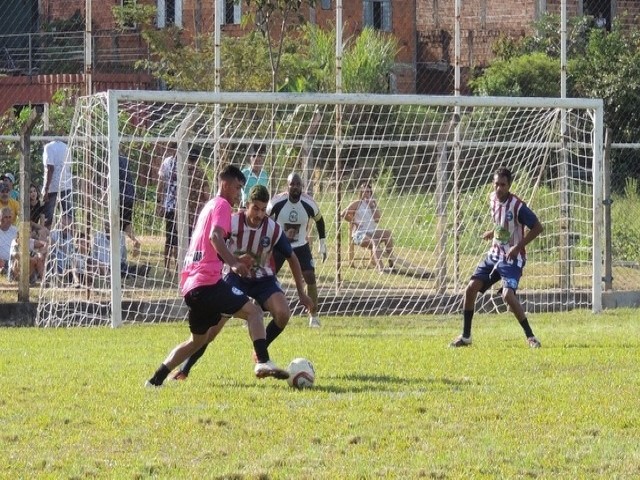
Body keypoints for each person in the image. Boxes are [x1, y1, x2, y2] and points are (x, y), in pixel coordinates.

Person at [146, 165, 290, 388]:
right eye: (237, 187)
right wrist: (234, 263)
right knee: (254, 311)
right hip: (208, 283)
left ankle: (155, 379)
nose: (238, 194)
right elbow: (215, 237)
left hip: (191, 287)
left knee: (197, 340)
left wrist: (234, 258)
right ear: (225, 184)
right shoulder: (222, 205)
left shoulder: (209, 206)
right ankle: (262, 360)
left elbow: (210, 243)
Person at [171, 184, 314, 380]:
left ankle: (260, 353)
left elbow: (293, 258)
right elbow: (215, 243)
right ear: (247, 205)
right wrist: (232, 262)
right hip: (235, 278)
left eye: (263, 209)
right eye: (255, 208)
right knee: (213, 330)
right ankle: (184, 369)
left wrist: (301, 292)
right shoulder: (231, 222)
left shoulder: (272, 228)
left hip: (263, 279)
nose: (259, 214)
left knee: (282, 314)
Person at [449, 167, 544, 349]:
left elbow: (538, 227)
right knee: (470, 289)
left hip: (512, 258)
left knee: (508, 295)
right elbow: (502, 224)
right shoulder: (492, 198)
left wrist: (518, 247)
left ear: (509, 186)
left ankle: (531, 337)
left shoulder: (518, 206)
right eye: (496, 184)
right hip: (494, 254)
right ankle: (466, 336)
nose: (499, 188)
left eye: (503, 185)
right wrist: (492, 233)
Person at [268, 172, 327, 328]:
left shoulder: (309, 203)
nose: (295, 187)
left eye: (298, 184)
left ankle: (313, 315)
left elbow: (320, 221)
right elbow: (264, 217)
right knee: (266, 275)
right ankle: (256, 312)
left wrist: (323, 242)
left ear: (302, 186)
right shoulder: (277, 202)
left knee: (310, 276)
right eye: (292, 184)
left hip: (301, 245)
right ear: (287, 186)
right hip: (279, 244)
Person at [341, 182, 396, 273]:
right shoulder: (358, 203)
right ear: (361, 193)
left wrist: (372, 206)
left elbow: (377, 219)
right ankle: (380, 268)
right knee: (375, 241)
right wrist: (354, 222)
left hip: (371, 231)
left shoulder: (373, 204)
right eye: (364, 192)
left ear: (371, 193)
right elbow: (343, 214)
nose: (366, 194)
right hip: (359, 234)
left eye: (368, 192)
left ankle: (391, 262)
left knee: (387, 233)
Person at [42, 132, 73, 229]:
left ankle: (47, 241)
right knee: (68, 216)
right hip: (67, 185)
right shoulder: (65, 146)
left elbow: (50, 168)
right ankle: (70, 239)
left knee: (49, 217)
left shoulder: (48, 147)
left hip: (53, 187)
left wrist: (46, 189)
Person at [119, 155, 141, 256]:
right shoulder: (124, 159)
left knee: (119, 226)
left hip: (121, 197)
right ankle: (134, 241)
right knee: (126, 223)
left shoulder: (114, 160)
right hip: (130, 195)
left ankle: (120, 251)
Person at [0, 207, 17, 275]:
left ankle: (8, 272)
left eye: (10, 217)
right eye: (5, 217)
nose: (8, 219)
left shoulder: (15, 231)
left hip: (13, 261)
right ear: (0, 218)